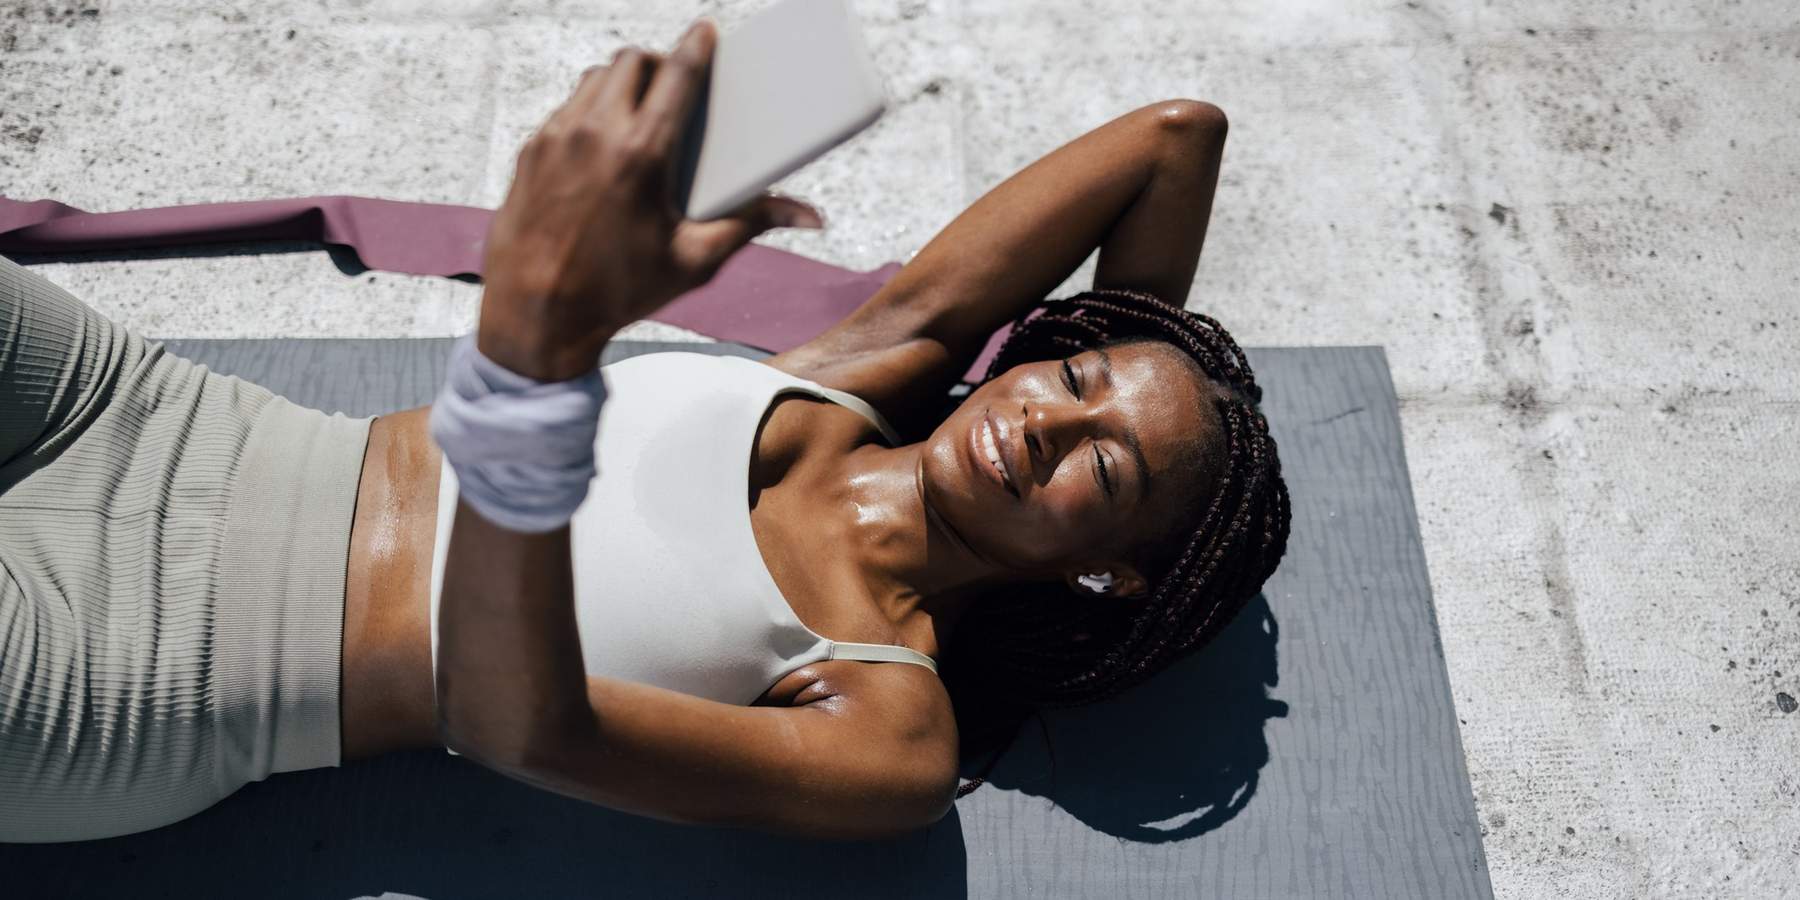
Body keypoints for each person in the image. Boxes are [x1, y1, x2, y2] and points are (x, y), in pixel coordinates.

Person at [0, 18, 1288, 844]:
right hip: (146, 417)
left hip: (141, 674)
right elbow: (1178, 139)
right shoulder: (856, 377)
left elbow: (524, 728)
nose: (1039, 426)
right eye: (1067, 382)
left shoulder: (888, 720)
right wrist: (1134, 367)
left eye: (1099, 470)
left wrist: (533, 364)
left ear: (1103, 570)